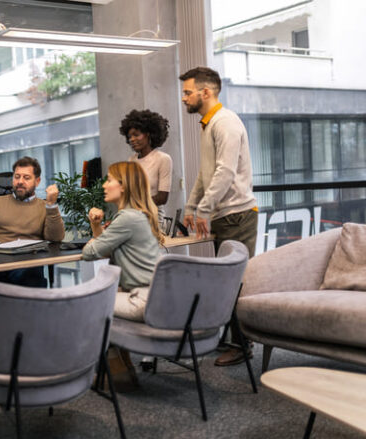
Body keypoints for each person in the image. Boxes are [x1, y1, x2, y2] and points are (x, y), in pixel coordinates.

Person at [179, 66, 258, 367]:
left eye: (187, 92)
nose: (183, 98)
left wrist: (204, 208)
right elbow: (207, 172)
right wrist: (191, 206)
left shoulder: (225, 123)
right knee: (227, 281)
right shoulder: (209, 124)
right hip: (226, 215)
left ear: (206, 92)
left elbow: (225, 172)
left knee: (235, 282)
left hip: (237, 214)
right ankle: (233, 339)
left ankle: (242, 345)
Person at [83, 161, 164, 390]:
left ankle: (117, 371)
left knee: (92, 302)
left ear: (124, 186)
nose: (104, 185)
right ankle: (123, 368)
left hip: (143, 299)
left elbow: (91, 252)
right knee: (107, 297)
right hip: (155, 296)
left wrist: (93, 241)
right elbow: (107, 249)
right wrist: (96, 227)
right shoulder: (140, 215)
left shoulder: (126, 218)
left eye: (109, 180)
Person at [0, 156, 65, 287]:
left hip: (26, 262)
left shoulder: (44, 206)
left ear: (37, 181)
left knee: (29, 274)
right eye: (17, 177)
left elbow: (55, 238)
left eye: (26, 178)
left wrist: (51, 205)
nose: (20, 181)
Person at [120, 109, 172, 226]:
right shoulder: (131, 160)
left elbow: (162, 198)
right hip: (134, 218)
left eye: (136, 135)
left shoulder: (163, 159)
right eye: (129, 136)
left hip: (153, 219)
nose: (132, 139)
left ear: (148, 134)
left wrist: (136, 205)